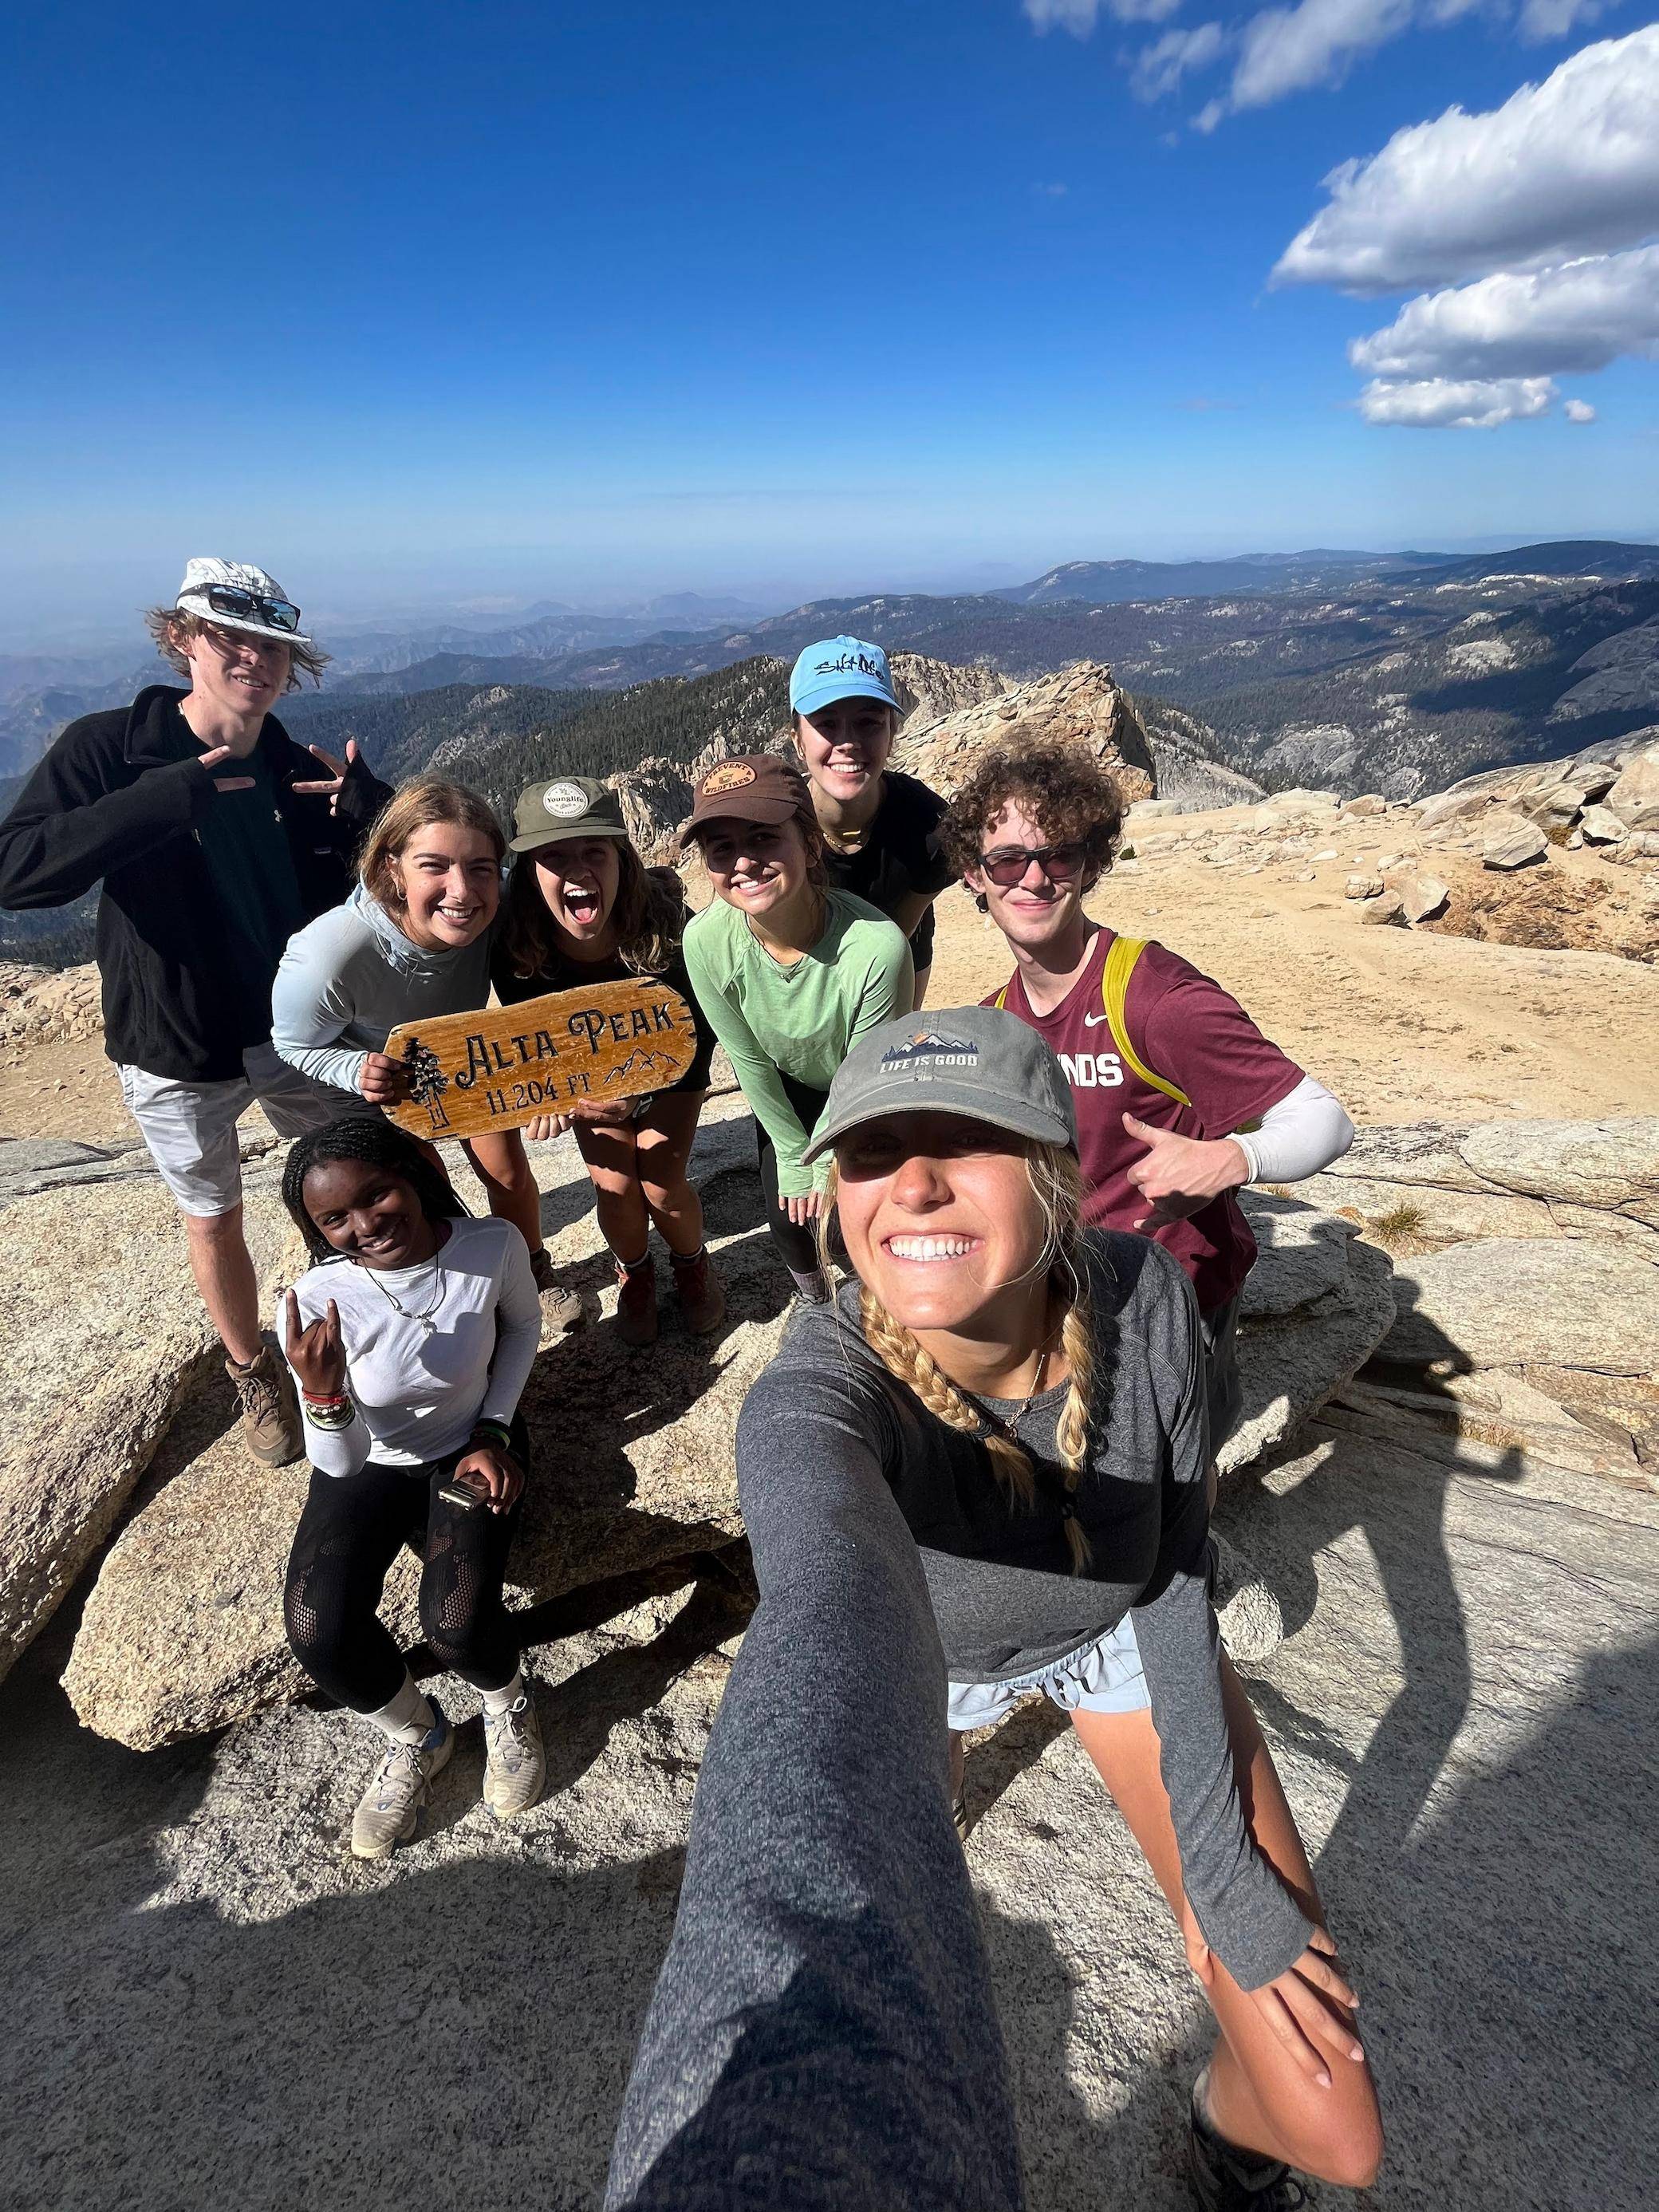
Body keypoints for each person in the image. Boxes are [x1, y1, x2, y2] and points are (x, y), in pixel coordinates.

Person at [735, 1007, 1384, 2207]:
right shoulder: (825, 1383)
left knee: (1333, 2128)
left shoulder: (1144, 1295)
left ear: (1057, 1176)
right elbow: (813, 1612)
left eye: (965, 1139)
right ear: (834, 1194)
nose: (914, 1185)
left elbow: (1174, 1562)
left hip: (1116, 1636)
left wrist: (1219, 1862)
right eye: (874, 1151)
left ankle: (1222, 2127)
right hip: (920, 1665)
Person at [0, 558, 391, 1465]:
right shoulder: (111, 749)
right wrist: (158, 801)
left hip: (294, 1030)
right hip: (177, 1038)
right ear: (181, 640)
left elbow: (360, 887)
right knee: (213, 1215)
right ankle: (253, 1369)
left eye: (272, 646)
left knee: (360, 1168)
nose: (254, 658)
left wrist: (370, 817)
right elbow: (17, 870)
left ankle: (372, 1315)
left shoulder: (288, 761)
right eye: (230, 638)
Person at [940, 739, 1353, 1456]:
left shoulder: (1152, 997)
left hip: (1176, 1299)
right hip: (1066, 1299)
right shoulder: (997, 1020)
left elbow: (1324, 1119)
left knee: (1182, 1469)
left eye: (1058, 855)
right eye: (1007, 860)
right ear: (975, 875)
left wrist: (1233, 1159)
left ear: (1090, 863)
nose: (1033, 878)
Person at [279, 1116, 546, 1860]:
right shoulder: (315, 1300)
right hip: (369, 1460)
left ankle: (508, 1704)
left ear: (417, 1175)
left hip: (471, 1444)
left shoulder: (491, 1245)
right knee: (316, 1627)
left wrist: (495, 1431)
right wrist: (322, 1395)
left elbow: (523, 1327)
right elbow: (338, 1463)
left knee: (454, 1622)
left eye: (377, 1195)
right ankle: (418, 1734)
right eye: (334, 1218)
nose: (364, 1225)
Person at [270, 775, 581, 1328]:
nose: (461, 891)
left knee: (508, 1173)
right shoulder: (331, 954)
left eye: (480, 868)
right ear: (392, 868)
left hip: (458, 1053)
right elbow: (293, 1041)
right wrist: (355, 1069)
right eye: (434, 866)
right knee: (424, 1192)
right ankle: (456, 1302)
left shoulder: (497, 906)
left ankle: (531, 1273)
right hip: (373, 1078)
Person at [495, 775, 723, 1347]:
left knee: (663, 1181)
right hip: (589, 1082)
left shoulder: (670, 925)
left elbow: (700, 1028)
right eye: (554, 857)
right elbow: (533, 1042)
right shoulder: (517, 945)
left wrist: (643, 1093)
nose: (577, 871)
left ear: (623, 859)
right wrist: (549, 1097)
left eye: (594, 852)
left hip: (674, 1070)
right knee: (616, 1185)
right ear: (529, 873)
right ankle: (636, 1272)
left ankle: (691, 1263)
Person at [679, 754, 912, 1303]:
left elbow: (865, 1073)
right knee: (788, 1221)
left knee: (861, 1214)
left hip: (868, 1088)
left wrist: (826, 1158)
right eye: (721, 848)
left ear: (809, 844)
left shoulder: (876, 948)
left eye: (764, 838)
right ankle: (819, 1305)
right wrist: (791, 1153)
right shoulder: (705, 941)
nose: (743, 862)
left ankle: (881, 1304)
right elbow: (750, 1059)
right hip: (786, 1089)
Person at [787, 635, 954, 1008]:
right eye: (827, 724)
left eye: (868, 723)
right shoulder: (779, 823)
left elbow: (897, 936)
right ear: (798, 741)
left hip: (898, 950)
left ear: (891, 734)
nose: (848, 742)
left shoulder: (931, 826)